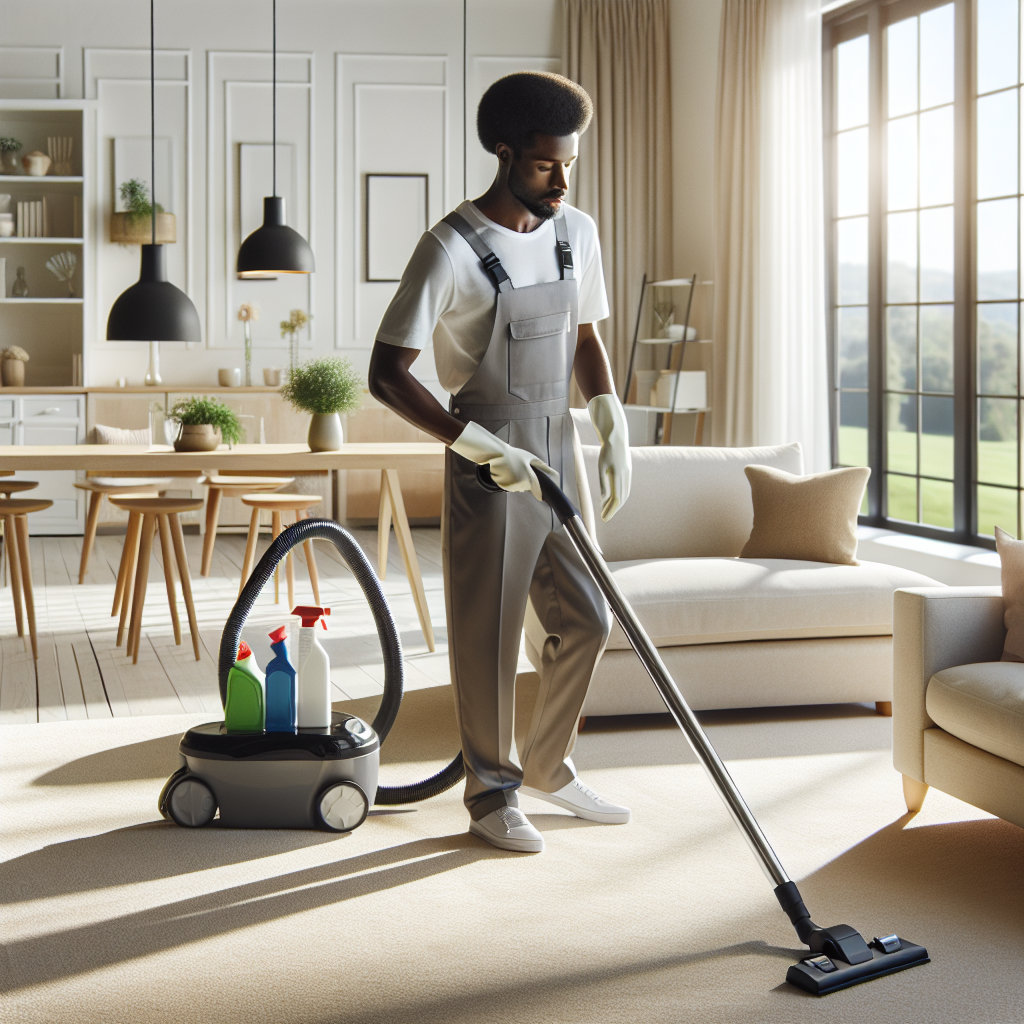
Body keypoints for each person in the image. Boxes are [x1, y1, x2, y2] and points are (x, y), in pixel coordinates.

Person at [368, 72, 632, 853]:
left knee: (590, 616)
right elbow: (386, 373)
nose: (562, 180)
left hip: (561, 443)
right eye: (548, 164)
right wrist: (476, 445)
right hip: (489, 451)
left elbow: (584, 335)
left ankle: (549, 763)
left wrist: (609, 418)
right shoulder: (448, 249)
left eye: (571, 165)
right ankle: (490, 793)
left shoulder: (573, 231)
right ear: (505, 151)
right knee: (487, 635)